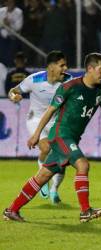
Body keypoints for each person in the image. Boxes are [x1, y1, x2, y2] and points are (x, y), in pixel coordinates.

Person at [3, 52, 101, 222]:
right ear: (90, 68)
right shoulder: (70, 86)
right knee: (82, 164)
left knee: (42, 177)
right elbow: (50, 110)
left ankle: (11, 210)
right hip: (61, 136)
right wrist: (36, 134)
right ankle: (85, 210)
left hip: (71, 138)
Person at [7, 50, 71, 204]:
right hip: (35, 119)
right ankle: (41, 177)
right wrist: (14, 96)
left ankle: (54, 189)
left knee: (62, 159)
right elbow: (13, 91)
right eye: (62, 65)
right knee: (46, 148)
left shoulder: (69, 81)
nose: (66, 68)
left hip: (57, 122)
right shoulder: (34, 80)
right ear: (51, 67)